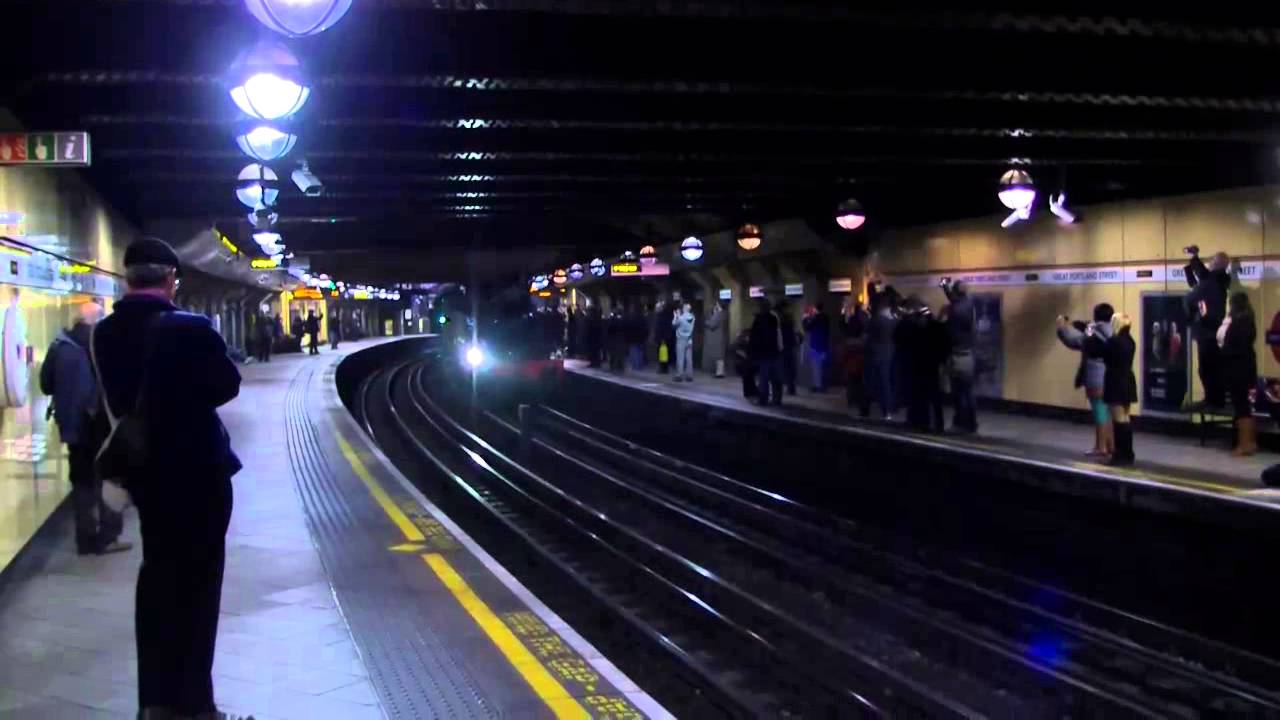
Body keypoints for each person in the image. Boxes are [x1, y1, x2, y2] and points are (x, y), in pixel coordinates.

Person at [92, 237, 244, 719]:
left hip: (147, 476)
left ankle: (154, 704)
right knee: (199, 588)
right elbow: (226, 386)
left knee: (157, 580)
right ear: (171, 279)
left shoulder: (105, 333)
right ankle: (196, 704)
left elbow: (117, 400)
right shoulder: (193, 328)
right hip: (200, 475)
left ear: (127, 278)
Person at [40, 302, 130, 556]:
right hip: (104, 425)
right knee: (110, 478)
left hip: (74, 426)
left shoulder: (59, 346)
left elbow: (46, 385)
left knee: (81, 481)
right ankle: (108, 537)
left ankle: (85, 539)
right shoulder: (108, 345)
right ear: (98, 319)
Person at [1055, 303, 1115, 457]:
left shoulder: (1092, 334)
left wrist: (1061, 327)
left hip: (1096, 379)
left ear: (1096, 316)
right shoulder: (1114, 331)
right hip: (1110, 377)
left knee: (1100, 413)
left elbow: (1073, 341)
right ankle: (1110, 445)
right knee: (1107, 414)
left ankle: (1100, 447)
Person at [1183, 246, 1231, 407]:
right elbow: (1203, 274)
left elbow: (1191, 297)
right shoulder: (1218, 281)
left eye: (1212, 260)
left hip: (1206, 331)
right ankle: (1217, 399)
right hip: (1214, 331)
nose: (1209, 263)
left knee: (1206, 369)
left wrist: (1190, 318)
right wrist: (1194, 257)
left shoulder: (1211, 283)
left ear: (1216, 264)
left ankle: (1212, 400)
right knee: (1213, 367)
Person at [1087, 312, 1137, 466]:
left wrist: (1090, 334)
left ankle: (1119, 455)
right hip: (1128, 381)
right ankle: (1128, 453)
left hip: (1115, 382)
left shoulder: (1114, 341)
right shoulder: (1130, 341)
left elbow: (1098, 352)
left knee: (1118, 420)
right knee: (1126, 418)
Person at [895, 297, 949, 432]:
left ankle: (920, 421)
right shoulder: (936, 325)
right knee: (933, 395)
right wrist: (941, 361)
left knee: (918, 394)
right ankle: (937, 423)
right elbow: (945, 344)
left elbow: (898, 338)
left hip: (917, 364)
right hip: (931, 364)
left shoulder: (911, 324)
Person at [1220, 292, 1258, 456]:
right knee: (1247, 408)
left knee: (1241, 409)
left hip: (1238, 371)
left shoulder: (1238, 324)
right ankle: (1251, 443)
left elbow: (1230, 347)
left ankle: (1244, 445)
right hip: (1248, 368)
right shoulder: (1249, 321)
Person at [941, 280, 977, 432]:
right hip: (968, 354)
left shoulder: (955, 311)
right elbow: (954, 299)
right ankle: (971, 424)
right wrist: (945, 287)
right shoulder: (968, 304)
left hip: (957, 355)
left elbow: (948, 332)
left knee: (959, 392)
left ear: (956, 292)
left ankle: (960, 423)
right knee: (968, 392)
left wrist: (942, 317)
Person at [863, 280, 899, 420]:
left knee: (872, 382)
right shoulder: (895, 319)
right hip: (891, 352)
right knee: (887, 383)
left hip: (876, 353)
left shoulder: (876, 320)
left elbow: (868, 335)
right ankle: (888, 410)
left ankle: (867, 410)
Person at [749, 298, 784, 405]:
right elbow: (778, 334)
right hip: (773, 352)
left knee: (764, 378)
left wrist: (752, 353)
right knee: (775, 378)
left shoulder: (759, 319)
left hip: (764, 353)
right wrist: (780, 348)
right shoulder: (773, 319)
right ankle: (776, 399)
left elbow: (753, 337)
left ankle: (763, 399)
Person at [842, 301, 868, 411]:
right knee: (859, 377)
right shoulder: (864, 319)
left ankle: (851, 399)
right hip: (860, 348)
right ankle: (858, 399)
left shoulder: (852, 319)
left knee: (851, 376)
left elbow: (845, 328)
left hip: (850, 346)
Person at [803, 302, 831, 392]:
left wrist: (805, 318)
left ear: (816, 309)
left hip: (815, 345)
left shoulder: (815, 318)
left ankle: (817, 385)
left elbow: (806, 327)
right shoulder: (826, 317)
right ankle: (823, 385)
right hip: (824, 345)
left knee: (816, 366)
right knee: (823, 366)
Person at [777, 300, 799, 395]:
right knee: (790, 367)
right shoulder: (790, 318)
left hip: (784, 346)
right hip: (790, 345)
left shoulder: (781, 319)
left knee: (785, 367)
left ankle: (789, 387)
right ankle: (791, 387)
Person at [672, 302, 695, 382]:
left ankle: (679, 375)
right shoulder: (692, 317)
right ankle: (689, 375)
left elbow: (674, 324)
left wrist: (675, 316)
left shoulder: (681, 318)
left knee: (680, 358)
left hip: (681, 340)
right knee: (689, 359)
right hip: (689, 339)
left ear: (685, 308)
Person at [702, 302, 727, 377]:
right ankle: (720, 372)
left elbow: (712, 324)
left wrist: (706, 321)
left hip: (717, 337)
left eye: (716, 305)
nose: (715, 306)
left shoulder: (718, 314)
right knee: (720, 355)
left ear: (719, 305)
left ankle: (719, 373)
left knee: (718, 355)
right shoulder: (724, 314)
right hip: (721, 336)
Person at [733, 328, 757, 399]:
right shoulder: (739, 344)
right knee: (748, 374)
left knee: (749, 375)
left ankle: (752, 391)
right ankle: (750, 392)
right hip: (742, 364)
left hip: (747, 364)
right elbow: (742, 354)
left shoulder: (748, 344)